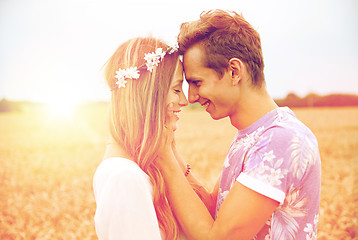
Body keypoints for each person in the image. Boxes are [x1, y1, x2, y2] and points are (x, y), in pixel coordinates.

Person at [158, 9, 321, 240]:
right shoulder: (254, 134)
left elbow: (218, 237)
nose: (192, 97)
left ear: (234, 71)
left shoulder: (280, 140)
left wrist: (164, 158)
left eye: (197, 82)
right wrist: (171, 147)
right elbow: (212, 213)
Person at [93, 37, 190, 240]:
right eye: (176, 89)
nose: (184, 100)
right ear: (148, 96)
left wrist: (172, 151)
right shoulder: (125, 178)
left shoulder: (135, 169)